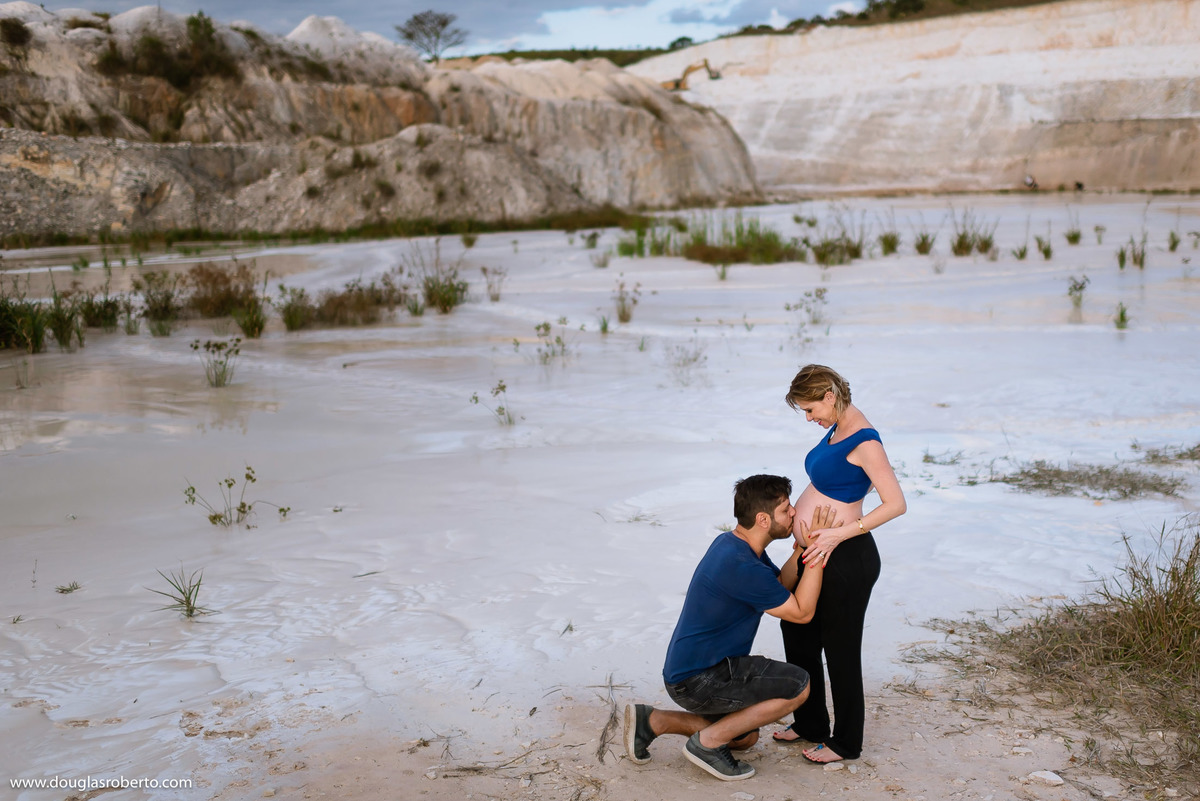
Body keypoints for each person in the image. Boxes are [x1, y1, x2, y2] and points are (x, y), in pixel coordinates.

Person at [623, 474, 840, 781]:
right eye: (786, 509)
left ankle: (654, 722)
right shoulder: (742, 566)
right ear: (763, 519)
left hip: (688, 673)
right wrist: (818, 550)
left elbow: (779, 585)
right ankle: (707, 745)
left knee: (744, 738)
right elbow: (801, 613)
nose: (794, 513)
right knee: (798, 685)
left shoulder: (733, 544)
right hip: (700, 680)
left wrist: (799, 550)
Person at [772, 364, 907, 764]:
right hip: (819, 553)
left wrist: (837, 533)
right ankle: (811, 723)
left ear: (829, 397)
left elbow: (896, 504)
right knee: (796, 631)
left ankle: (846, 742)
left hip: (847, 558)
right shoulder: (837, 427)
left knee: (841, 649)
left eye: (811, 410)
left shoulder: (865, 440)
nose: (810, 419)